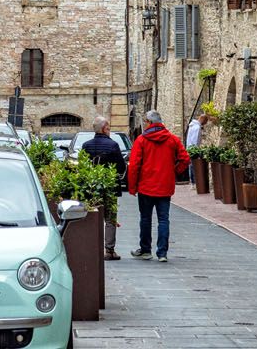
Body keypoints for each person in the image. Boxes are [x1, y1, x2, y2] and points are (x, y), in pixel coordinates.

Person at [126, 110, 190, 262]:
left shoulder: (141, 140)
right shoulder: (172, 140)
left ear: (149, 122)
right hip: (164, 186)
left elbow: (134, 165)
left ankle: (146, 250)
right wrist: (174, 172)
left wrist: (132, 186)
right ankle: (162, 253)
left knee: (146, 218)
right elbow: (185, 159)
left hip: (145, 186)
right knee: (163, 220)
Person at [80, 117, 127, 261]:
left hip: (92, 187)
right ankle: (109, 250)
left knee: (92, 216)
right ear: (105, 128)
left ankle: (91, 247)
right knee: (110, 218)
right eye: (109, 128)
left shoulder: (86, 145)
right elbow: (121, 167)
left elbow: (82, 166)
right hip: (110, 186)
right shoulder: (113, 145)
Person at [184, 112, 208, 184]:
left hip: (189, 147)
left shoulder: (192, 126)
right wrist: (196, 151)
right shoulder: (197, 128)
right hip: (193, 149)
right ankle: (194, 182)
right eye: (206, 121)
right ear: (202, 119)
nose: (206, 123)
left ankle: (192, 181)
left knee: (191, 165)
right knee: (193, 165)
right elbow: (195, 140)